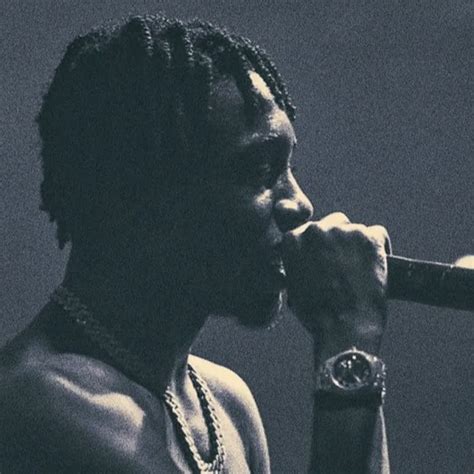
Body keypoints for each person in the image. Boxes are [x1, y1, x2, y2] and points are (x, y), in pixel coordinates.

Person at [0, 15, 391, 473]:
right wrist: (348, 336)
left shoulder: (226, 403)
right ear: (145, 195)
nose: (300, 204)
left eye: (288, 166)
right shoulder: (39, 404)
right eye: (260, 170)